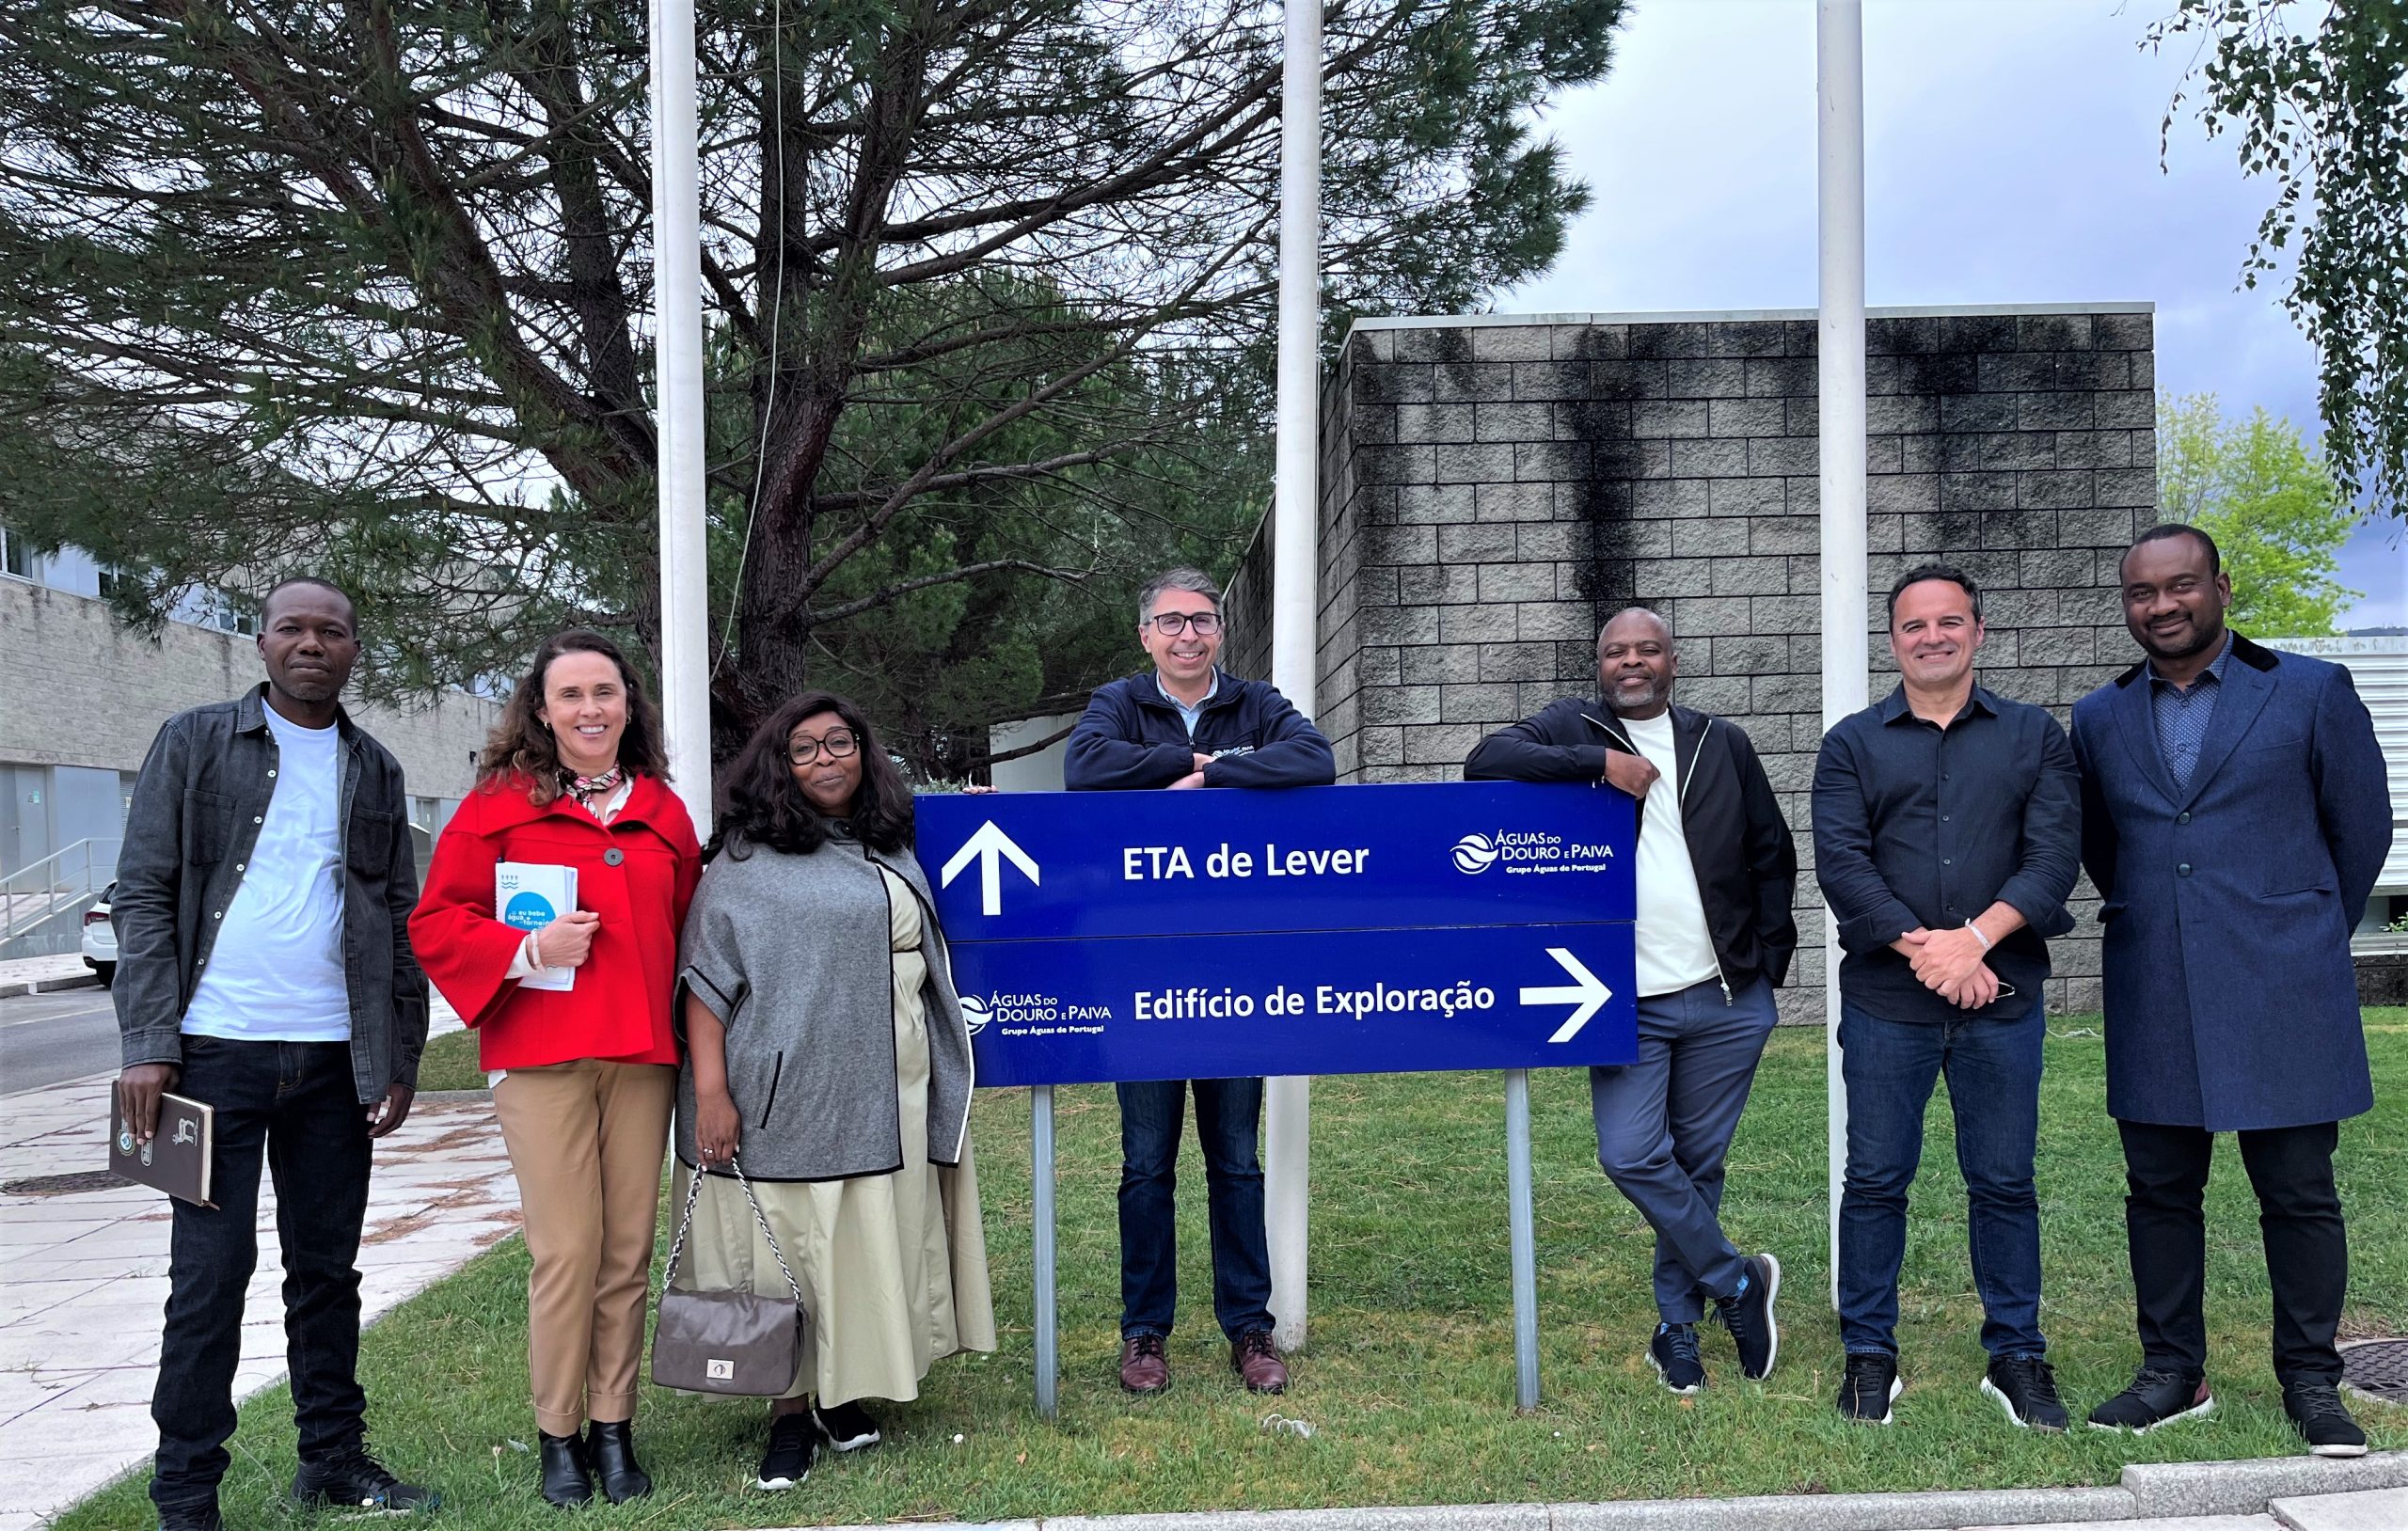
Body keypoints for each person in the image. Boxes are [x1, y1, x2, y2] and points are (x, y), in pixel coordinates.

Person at [112, 576, 436, 1530]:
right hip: (209, 1057)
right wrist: (147, 1041)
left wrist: (400, 1056)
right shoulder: (194, 740)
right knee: (209, 1275)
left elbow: (396, 919)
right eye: (292, 627)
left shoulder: (373, 767)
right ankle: (186, 1494)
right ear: (259, 641)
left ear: (352, 648)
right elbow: (142, 893)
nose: (310, 643)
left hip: (334, 1060)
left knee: (327, 1270)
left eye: (329, 630)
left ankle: (332, 1459)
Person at [2071, 525, 2392, 1457]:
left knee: (2297, 1191)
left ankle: (2311, 1381)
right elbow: (2107, 847)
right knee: (2157, 1190)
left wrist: (2293, 929)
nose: (2160, 605)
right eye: (2140, 592)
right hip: (2155, 979)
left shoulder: (2307, 690)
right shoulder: (2098, 715)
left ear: (2219, 585)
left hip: (2283, 980)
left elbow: (2358, 831)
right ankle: (2173, 1372)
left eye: (2179, 586)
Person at [1465, 607, 1795, 1394]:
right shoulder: (1569, 725)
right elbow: (1486, 759)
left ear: (1673, 661)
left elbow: (1771, 854)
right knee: (1633, 1154)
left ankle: (1676, 1330)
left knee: (1698, 1165)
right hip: (1623, 1000)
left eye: (1648, 649)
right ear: (1600, 664)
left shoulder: (1722, 742)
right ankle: (1737, 1282)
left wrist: (1767, 967)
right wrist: (1596, 767)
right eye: (1617, 652)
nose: (1633, 662)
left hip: (1723, 996)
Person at [672, 690, 994, 1492]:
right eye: (805, 748)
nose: (825, 760)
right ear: (778, 764)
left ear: (865, 751)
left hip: (893, 1082)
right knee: (793, 1247)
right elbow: (705, 986)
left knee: (862, 1238)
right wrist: (712, 1091)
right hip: (790, 1091)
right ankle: (787, 1412)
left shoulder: (888, 843)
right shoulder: (745, 864)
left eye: (840, 743)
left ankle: (843, 1393)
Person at [410, 630, 702, 1507]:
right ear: (541, 710)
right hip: (543, 1057)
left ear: (628, 705)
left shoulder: (664, 810)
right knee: (566, 1250)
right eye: (570, 695)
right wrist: (527, 945)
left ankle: (615, 1430)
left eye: (604, 692)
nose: (589, 709)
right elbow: (435, 922)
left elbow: (695, 934)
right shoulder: (498, 805)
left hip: (643, 1055)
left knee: (626, 1250)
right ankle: (559, 1438)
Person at [1813, 562, 2080, 1430]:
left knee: (2004, 1181)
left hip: (2000, 995)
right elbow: (1843, 867)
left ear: (1979, 630)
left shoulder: (2035, 736)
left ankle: (2016, 1357)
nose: (1932, 636)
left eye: (1948, 622)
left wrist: (1974, 941)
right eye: (1914, 626)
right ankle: (1869, 1356)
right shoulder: (1851, 744)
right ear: (1894, 640)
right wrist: (1931, 951)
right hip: (1889, 1004)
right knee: (1877, 1181)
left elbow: (2051, 860)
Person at [1065, 567, 1334, 1396]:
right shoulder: (1117, 703)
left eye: (1204, 621)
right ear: (1145, 633)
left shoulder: (1257, 703)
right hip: (1144, 968)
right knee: (1146, 1165)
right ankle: (1145, 1332)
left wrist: (1214, 774)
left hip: (1233, 970)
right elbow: (1086, 769)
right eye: (1172, 622)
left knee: (1237, 1161)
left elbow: (1313, 761)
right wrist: (1177, 758)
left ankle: (1249, 1329)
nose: (1189, 635)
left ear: (1220, 631)